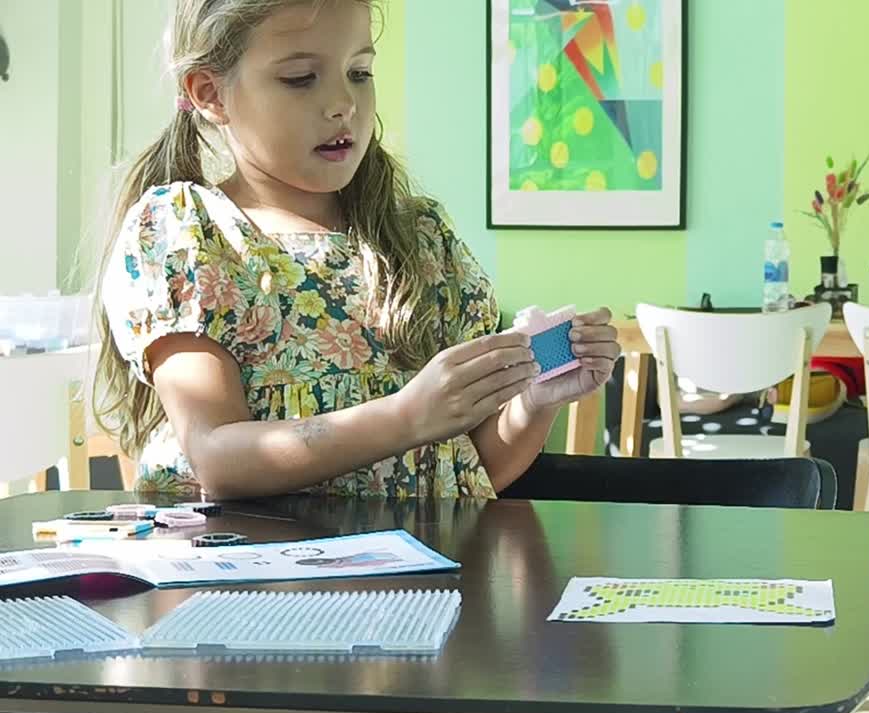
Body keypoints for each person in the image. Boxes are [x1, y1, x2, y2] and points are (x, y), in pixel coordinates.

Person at [95, 0, 620, 501]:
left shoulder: (422, 240)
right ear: (210, 93)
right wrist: (406, 416)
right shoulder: (187, 234)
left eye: (360, 73)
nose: (343, 104)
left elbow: (471, 471)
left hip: (417, 585)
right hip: (251, 583)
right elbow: (216, 457)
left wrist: (533, 404)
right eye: (301, 78)